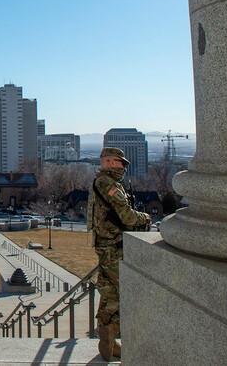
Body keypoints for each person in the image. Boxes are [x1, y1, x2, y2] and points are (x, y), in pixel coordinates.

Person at [87, 147, 151, 361]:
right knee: (127, 291)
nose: (123, 167)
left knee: (109, 293)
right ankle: (112, 331)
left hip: (107, 246)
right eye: (121, 162)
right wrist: (145, 218)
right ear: (110, 162)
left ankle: (108, 339)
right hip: (114, 247)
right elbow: (127, 216)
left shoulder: (104, 183)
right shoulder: (108, 184)